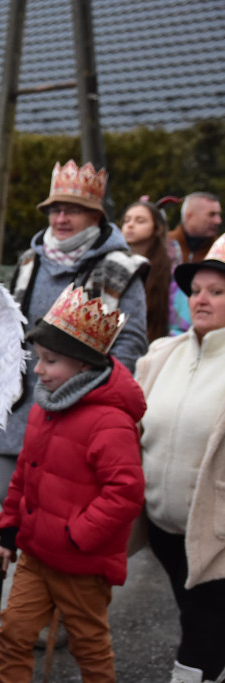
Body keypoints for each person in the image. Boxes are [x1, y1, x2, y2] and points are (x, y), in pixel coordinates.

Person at [0, 285, 145, 682]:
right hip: (36, 555)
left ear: (83, 367)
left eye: (50, 361)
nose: (38, 370)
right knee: (12, 633)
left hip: (81, 562)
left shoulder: (110, 421)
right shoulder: (48, 407)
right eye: (39, 359)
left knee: (88, 646)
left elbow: (124, 493)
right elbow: (26, 471)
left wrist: (75, 535)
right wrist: (8, 533)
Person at [0, 160, 148, 504]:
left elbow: (130, 343)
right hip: (23, 408)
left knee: (61, 511)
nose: (61, 219)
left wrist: (101, 403)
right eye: (55, 210)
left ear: (95, 217)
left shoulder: (119, 268)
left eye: (73, 211)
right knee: (11, 503)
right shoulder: (28, 263)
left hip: (82, 412)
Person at [133, 232, 225, 683]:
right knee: (204, 627)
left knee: (201, 631)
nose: (201, 300)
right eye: (195, 291)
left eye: (217, 292)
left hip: (218, 536)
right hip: (164, 532)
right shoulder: (160, 354)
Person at [167, 192, 223, 335]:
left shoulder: (220, 251)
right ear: (189, 215)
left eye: (216, 292)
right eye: (211, 214)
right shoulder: (162, 247)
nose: (218, 220)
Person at [121, 199, 172, 342]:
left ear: (157, 228)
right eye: (126, 220)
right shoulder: (112, 264)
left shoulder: (168, 273)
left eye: (140, 221)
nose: (130, 225)